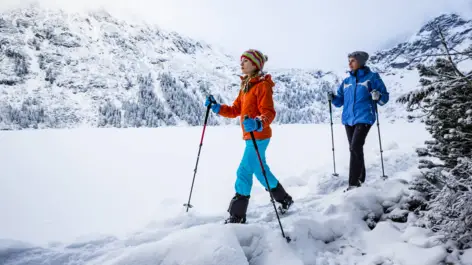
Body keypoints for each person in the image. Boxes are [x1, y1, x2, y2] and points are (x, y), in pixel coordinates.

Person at [204, 49, 293, 224]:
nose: (241, 64)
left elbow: (269, 112)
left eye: (245, 61)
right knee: (261, 171)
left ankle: (237, 216)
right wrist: (217, 108)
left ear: (255, 65)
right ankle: (285, 199)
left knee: (243, 171)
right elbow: (235, 110)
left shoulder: (262, 86)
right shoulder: (246, 86)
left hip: (259, 136)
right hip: (250, 136)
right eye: (241, 61)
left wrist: (259, 122)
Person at [327, 51, 389, 191]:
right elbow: (340, 102)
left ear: (360, 62)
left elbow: (384, 98)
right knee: (355, 149)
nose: (350, 63)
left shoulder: (372, 78)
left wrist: (378, 95)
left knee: (355, 147)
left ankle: (353, 183)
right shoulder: (346, 81)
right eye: (349, 60)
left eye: (353, 60)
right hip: (349, 120)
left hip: (365, 117)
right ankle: (360, 178)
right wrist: (333, 98)